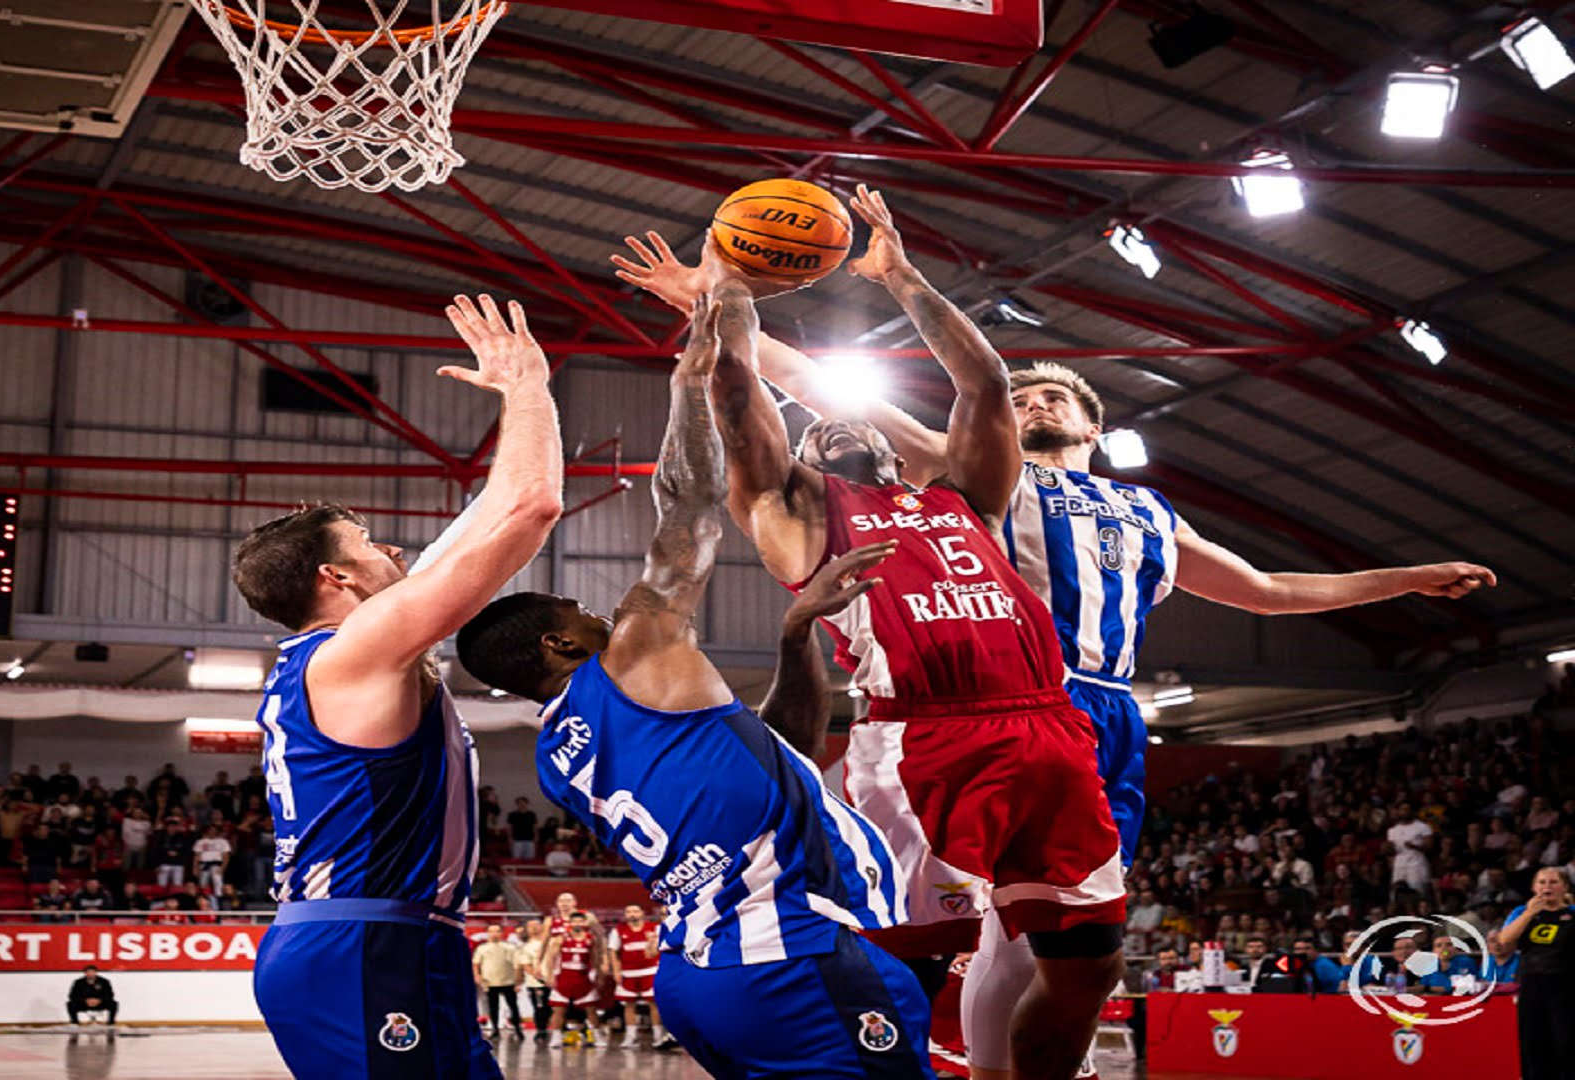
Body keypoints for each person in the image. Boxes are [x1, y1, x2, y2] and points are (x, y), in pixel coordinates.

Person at [615, 213, 1496, 1080]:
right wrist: (717, 294)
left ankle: (1011, 1062)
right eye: (1028, 396)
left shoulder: (1118, 507)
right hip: (949, 713)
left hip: (1084, 717)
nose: (1036, 401)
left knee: (1072, 942)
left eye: (1056, 397)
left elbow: (1265, 591)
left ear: (1092, 426)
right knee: (935, 933)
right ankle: (930, 1057)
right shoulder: (951, 480)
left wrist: (1404, 579)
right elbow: (806, 387)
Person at [617, 191, 1122, 1080]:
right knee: (898, 964)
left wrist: (901, 277)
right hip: (919, 738)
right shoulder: (796, 512)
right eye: (816, 430)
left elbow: (986, 386)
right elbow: (735, 392)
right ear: (803, 460)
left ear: (897, 451)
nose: (833, 423)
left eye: (849, 422)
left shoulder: (964, 498)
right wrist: (727, 286)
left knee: (1090, 967)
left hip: (1048, 728)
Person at [456, 283, 929, 1078]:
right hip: (791, 958)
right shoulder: (634, 653)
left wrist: (794, 632)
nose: (596, 610)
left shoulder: (561, 755)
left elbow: (787, 751)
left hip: (703, 976)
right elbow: (692, 507)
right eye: (576, 608)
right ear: (557, 641)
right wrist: (689, 382)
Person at [233, 293, 562, 1080]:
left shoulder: (342, 653)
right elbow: (531, 506)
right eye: (370, 542)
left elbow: (487, 513)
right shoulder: (355, 651)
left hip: (382, 939)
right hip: (366, 944)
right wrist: (529, 387)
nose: (397, 547)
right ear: (334, 575)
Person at [1495, 866, 1574, 1078]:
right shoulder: (1521, 912)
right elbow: (1504, 940)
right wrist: (1530, 912)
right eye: (1542, 882)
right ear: (1533, 887)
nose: (1547, 886)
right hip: (1532, 984)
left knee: (1565, 1041)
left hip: (1566, 986)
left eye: (1553, 882)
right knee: (1532, 1040)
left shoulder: (1572, 912)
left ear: (1565, 887)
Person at [543, 911, 606, 1048]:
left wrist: (599, 975)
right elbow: (550, 958)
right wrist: (549, 975)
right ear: (570, 923)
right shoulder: (560, 938)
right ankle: (556, 1038)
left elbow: (595, 958)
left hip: (583, 978)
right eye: (574, 921)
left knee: (591, 1010)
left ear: (584, 923)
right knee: (559, 1010)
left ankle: (597, 1036)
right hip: (564, 978)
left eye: (580, 921)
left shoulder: (591, 939)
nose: (577, 924)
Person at [607, 904, 661, 1047]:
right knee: (628, 1005)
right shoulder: (618, 930)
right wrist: (616, 971)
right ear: (625, 915)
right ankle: (631, 1037)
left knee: (653, 1004)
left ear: (642, 913)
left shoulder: (654, 928)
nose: (632, 914)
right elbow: (613, 952)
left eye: (635, 911)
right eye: (629, 911)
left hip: (650, 971)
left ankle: (658, 1036)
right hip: (628, 972)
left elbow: (660, 949)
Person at [472, 924, 524, 1040]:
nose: (494, 934)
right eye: (492, 931)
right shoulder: (482, 948)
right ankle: (495, 1029)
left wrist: (518, 982)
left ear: (502, 933)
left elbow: (517, 965)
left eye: (497, 931)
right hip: (490, 982)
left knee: (513, 1007)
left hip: (508, 981)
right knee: (493, 1007)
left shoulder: (511, 948)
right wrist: (477, 975)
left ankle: (517, 1028)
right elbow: (476, 964)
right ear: (488, 933)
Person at [517, 917, 553, 1045]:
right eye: (530, 926)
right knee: (540, 1008)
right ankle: (541, 1031)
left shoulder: (552, 942)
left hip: (555, 981)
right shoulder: (526, 947)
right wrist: (541, 978)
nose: (533, 928)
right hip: (537, 983)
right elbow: (526, 966)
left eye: (536, 925)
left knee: (557, 1008)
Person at [193, 825, 231, 893]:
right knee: (202, 883)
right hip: (204, 864)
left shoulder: (223, 841)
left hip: (217, 865)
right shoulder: (200, 841)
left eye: (214, 830)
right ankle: (203, 900)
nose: (212, 832)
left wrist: (223, 868)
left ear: (217, 831)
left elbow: (226, 856)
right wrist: (195, 868)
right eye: (211, 830)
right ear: (207, 831)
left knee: (218, 883)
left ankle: (218, 900)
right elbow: (196, 856)